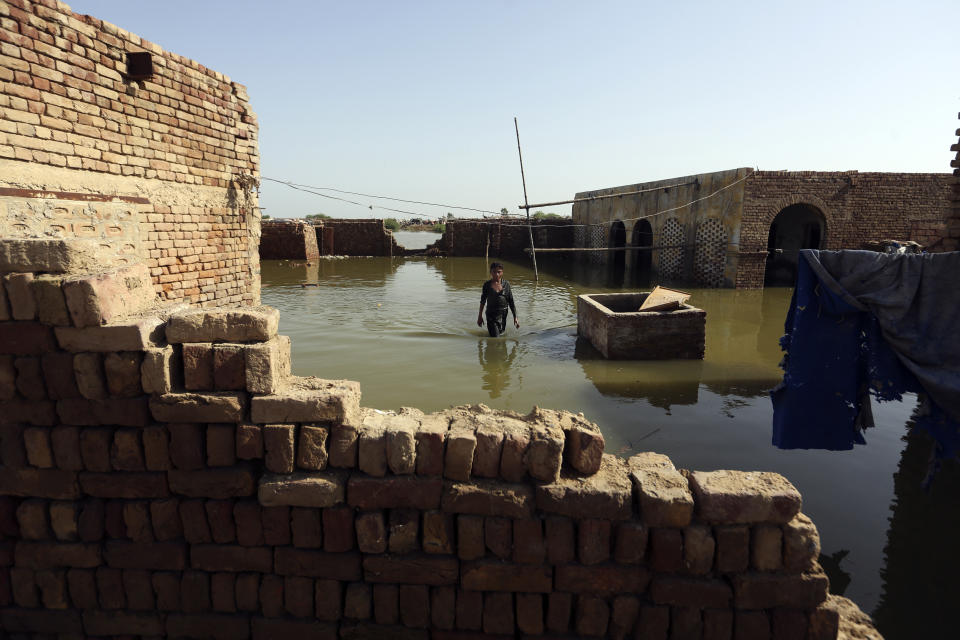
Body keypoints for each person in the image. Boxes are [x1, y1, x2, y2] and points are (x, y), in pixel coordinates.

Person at [477, 262, 519, 337]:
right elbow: (482, 301)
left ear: (502, 272)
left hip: (503, 315)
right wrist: (480, 316)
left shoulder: (506, 284)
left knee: (501, 334)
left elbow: (511, 301)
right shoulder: (487, 285)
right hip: (491, 315)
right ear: (490, 272)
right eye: (494, 272)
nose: (496, 274)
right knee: (496, 338)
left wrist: (515, 317)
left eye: (499, 272)